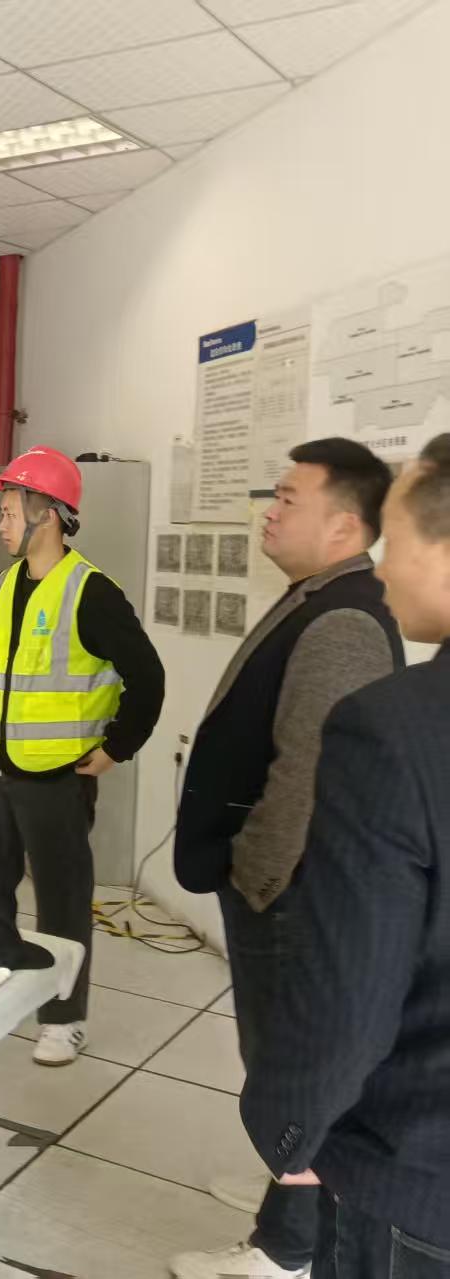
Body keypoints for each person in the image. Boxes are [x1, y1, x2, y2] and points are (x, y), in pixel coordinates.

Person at [170, 440, 402, 1279]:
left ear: (343, 525)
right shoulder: (318, 596)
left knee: (290, 1069)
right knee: (274, 1063)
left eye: (287, 498)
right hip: (275, 887)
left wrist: (255, 877)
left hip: (288, 894)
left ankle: (287, 1250)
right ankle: (289, 1196)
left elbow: (306, 778)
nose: (269, 511)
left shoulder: (343, 620)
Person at [239, 434, 450, 1278]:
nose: (384, 564)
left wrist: (289, 1129)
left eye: (397, 538)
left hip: (415, 1177)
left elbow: (351, 992)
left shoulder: (395, 727)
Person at [0, 446, 163, 1065]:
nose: (1, 525)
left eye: (9, 512)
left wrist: (116, 749)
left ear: (46, 514)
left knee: (61, 901)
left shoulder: (91, 592)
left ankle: (63, 1018)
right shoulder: (1, 587)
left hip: (57, 776)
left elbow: (148, 678)